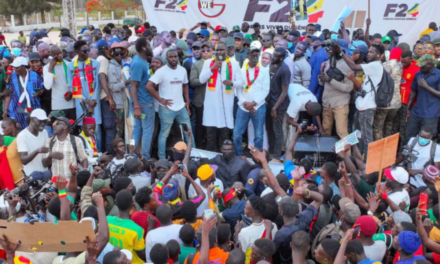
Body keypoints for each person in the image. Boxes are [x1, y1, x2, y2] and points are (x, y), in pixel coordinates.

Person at [147, 49, 193, 159]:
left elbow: (185, 85)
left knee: (189, 132)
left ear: (178, 57)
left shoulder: (182, 70)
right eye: (171, 57)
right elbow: (149, 86)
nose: (173, 59)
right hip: (167, 108)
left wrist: (187, 101)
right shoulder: (161, 71)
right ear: (166, 58)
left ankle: (193, 156)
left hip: (181, 107)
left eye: (175, 56)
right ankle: (162, 158)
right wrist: (160, 100)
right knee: (164, 134)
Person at [199, 42, 243, 151]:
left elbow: (241, 83)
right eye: (217, 50)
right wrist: (212, 68)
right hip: (211, 105)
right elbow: (201, 79)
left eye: (221, 50)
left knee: (224, 135)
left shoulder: (234, 64)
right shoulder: (209, 63)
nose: (219, 52)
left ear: (227, 51)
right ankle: (210, 157)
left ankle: (223, 158)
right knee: (210, 135)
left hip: (226, 106)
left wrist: (231, 83)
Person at [342, 43, 385, 155]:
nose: (369, 54)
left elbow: (353, 67)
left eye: (371, 52)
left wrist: (341, 53)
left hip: (367, 107)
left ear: (378, 54)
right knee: (357, 134)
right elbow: (362, 88)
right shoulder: (371, 66)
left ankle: (367, 162)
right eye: (369, 51)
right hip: (361, 105)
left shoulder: (375, 65)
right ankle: (358, 158)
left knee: (366, 136)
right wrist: (353, 79)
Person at [233, 45, 269, 156]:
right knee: (237, 135)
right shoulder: (241, 71)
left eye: (257, 55)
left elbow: (265, 90)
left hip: (258, 107)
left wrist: (253, 104)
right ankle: (239, 156)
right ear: (247, 56)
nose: (255, 57)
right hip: (243, 107)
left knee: (258, 136)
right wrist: (245, 103)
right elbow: (237, 89)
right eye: (252, 55)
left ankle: (257, 158)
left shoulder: (263, 71)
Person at [68, 40, 102, 150]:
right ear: (76, 51)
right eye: (84, 50)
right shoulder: (71, 66)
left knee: (96, 129)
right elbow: (71, 86)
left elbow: (97, 84)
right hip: (81, 103)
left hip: (95, 102)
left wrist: (92, 103)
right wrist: (87, 101)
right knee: (84, 129)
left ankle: (99, 154)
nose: (87, 52)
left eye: (88, 50)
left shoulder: (95, 64)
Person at [319, 41, 353, 139]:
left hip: (340, 103)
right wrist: (321, 75)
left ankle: (347, 154)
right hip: (327, 102)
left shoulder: (348, 65)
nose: (328, 51)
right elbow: (322, 83)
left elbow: (349, 88)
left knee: (342, 132)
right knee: (326, 132)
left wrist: (330, 80)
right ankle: (326, 154)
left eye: (331, 48)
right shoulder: (328, 62)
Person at [130, 38, 155, 159]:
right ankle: (144, 156)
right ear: (144, 48)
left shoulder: (142, 60)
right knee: (147, 130)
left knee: (138, 129)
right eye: (149, 45)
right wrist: (137, 107)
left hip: (141, 103)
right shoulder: (138, 63)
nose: (152, 47)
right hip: (143, 103)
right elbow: (133, 86)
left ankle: (134, 155)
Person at [107, 189, 146, 264]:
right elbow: (142, 255)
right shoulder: (137, 229)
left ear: (116, 204)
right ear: (132, 204)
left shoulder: (107, 220)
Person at [266, 48, 291, 163]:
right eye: (273, 55)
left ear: (281, 58)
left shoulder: (285, 70)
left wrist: (275, 108)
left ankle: (276, 156)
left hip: (278, 106)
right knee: (269, 129)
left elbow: (284, 92)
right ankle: (270, 153)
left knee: (277, 131)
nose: (273, 57)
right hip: (269, 102)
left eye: (275, 56)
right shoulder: (272, 65)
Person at [406, 54, 440, 140]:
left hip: (431, 114)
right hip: (416, 112)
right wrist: (408, 108)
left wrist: (426, 86)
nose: (420, 68)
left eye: (422, 66)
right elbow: (414, 90)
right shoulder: (418, 74)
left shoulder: (438, 75)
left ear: (430, 64)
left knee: (426, 139)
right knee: (409, 136)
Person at [3, 57, 43, 128]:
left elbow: (41, 89)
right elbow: (9, 94)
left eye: (17, 67)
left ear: (24, 66)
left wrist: (39, 92)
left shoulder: (34, 75)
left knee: (34, 128)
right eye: (14, 67)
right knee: (22, 130)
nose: (15, 69)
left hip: (34, 107)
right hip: (18, 110)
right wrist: (5, 110)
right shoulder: (12, 77)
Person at [236, 196, 278, 264]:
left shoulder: (245, 232)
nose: (244, 208)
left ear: (253, 213)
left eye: (246, 207)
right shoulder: (273, 225)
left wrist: (237, 232)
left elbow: (242, 254)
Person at [373, 47, 403, 140]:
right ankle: (388, 146)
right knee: (389, 124)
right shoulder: (401, 66)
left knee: (378, 126)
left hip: (385, 101)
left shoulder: (385, 65)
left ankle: (379, 147)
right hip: (396, 102)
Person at [43, 45, 76, 120]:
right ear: (51, 55)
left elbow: (75, 82)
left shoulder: (69, 64)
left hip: (71, 103)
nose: (60, 55)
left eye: (60, 53)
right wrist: (51, 68)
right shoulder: (47, 68)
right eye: (56, 54)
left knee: (73, 129)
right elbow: (48, 86)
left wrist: (72, 92)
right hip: (58, 105)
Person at [106, 42, 129, 145]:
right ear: (113, 55)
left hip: (125, 101)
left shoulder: (122, 65)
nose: (119, 56)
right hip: (119, 103)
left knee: (125, 129)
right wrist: (126, 82)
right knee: (119, 130)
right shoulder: (112, 67)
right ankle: (117, 151)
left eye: (120, 54)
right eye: (116, 54)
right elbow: (113, 87)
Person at [16, 109, 49, 175]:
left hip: (44, 173)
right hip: (31, 175)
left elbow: (46, 153)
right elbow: (23, 160)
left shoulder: (44, 132)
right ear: (32, 119)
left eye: (44, 121)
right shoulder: (22, 135)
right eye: (40, 121)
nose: (43, 124)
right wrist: (37, 151)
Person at [190, 42, 210, 148]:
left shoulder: (218, 63)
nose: (205, 52)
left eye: (208, 50)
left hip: (214, 100)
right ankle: (199, 146)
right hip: (200, 100)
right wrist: (204, 79)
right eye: (203, 50)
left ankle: (211, 146)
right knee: (199, 126)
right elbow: (192, 81)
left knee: (212, 126)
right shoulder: (196, 64)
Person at [397, 50, 420, 145]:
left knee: (404, 127)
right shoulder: (399, 67)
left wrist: (410, 107)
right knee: (396, 126)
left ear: (411, 59)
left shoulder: (416, 69)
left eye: (405, 62)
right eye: (401, 61)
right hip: (398, 101)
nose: (403, 64)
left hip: (408, 104)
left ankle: (403, 149)